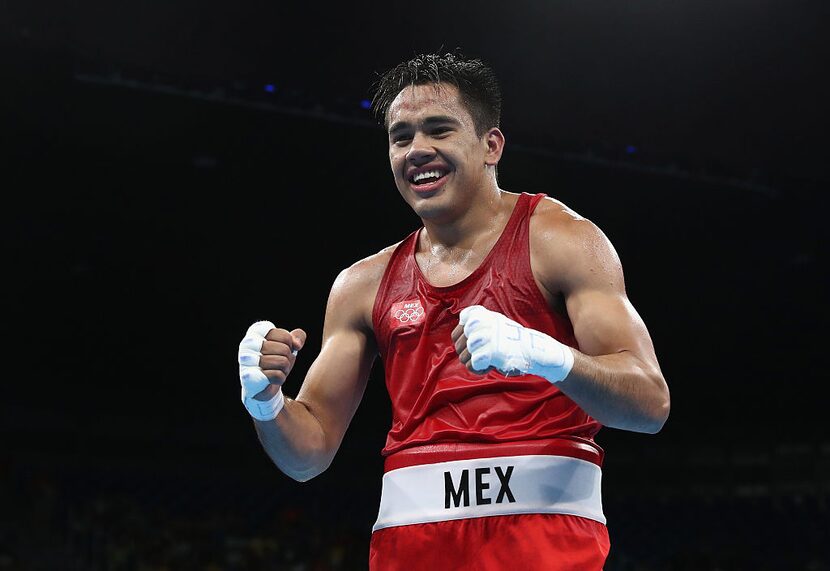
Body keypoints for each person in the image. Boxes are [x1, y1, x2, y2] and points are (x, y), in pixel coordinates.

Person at [236, 51, 670, 570]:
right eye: (401, 137)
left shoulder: (561, 240)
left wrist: (547, 355)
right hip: (410, 547)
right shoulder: (362, 284)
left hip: (542, 542)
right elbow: (307, 457)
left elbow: (649, 404)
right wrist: (266, 403)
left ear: (491, 145)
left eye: (439, 130)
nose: (417, 150)